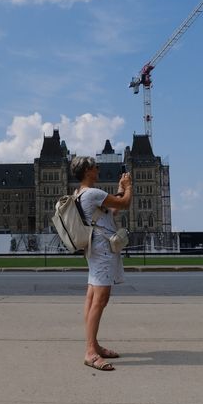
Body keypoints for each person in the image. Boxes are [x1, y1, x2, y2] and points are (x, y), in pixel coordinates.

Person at [71, 157, 133, 372]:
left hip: (93, 247)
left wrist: (118, 189)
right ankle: (90, 352)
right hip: (102, 249)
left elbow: (110, 212)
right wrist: (127, 187)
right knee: (101, 298)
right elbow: (124, 203)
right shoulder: (93, 193)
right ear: (88, 171)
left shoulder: (79, 195)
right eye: (95, 167)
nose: (98, 169)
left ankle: (94, 344)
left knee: (91, 297)